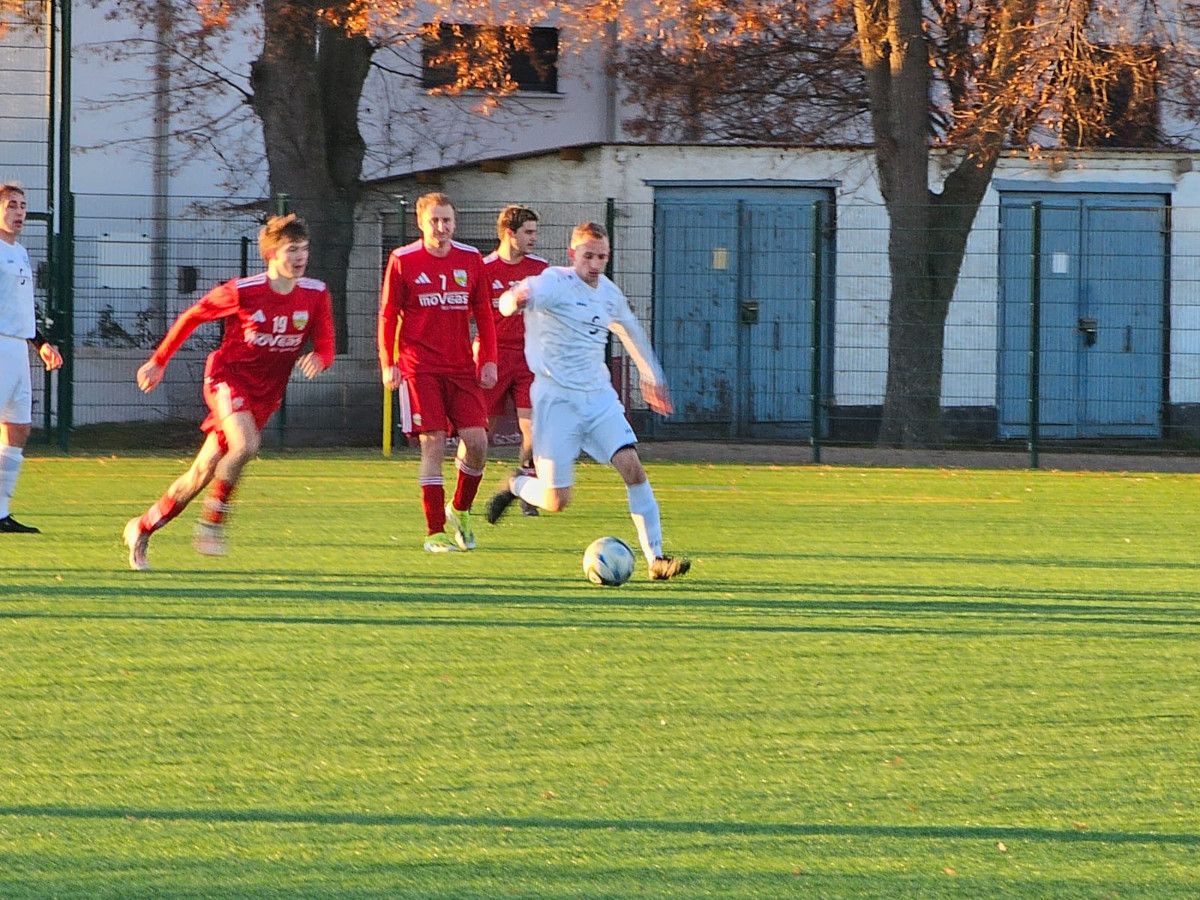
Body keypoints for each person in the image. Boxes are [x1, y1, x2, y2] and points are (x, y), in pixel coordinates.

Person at [122, 214, 335, 570]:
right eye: (292, 250)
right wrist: (159, 361)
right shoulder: (244, 291)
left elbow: (327, 343)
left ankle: (141, 527)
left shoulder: (315, 294)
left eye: (304, 249)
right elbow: (192, 316)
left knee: (201, 473)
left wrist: (321, 357)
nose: (300, 257)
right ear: (270, 254)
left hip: (265, 395)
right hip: (227, 379)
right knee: (246, 445)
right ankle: (212, 524)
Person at [484, 222, 690, 581]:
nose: (595, 264)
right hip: (555, 402)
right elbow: (509, 299)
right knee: (556, 501)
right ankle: (516, 484)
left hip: (597, 399)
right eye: (588, 256)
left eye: (602, 257)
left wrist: (651, 377)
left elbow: (631, 331)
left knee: (632, 467)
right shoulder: (553, 282)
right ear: (572, 255)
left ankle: (656, 558)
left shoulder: (608, 293)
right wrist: (510, 302)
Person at [378, 192, 497, 552]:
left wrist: (488, 358)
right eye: (435, 221)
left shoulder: (471, 259)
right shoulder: (403, 260)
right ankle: (434, 533)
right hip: (420, 367)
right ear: (421, 223)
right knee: (432, 443)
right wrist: (388, 362)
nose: (442, 228)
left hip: (461, 367)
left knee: (477, 443)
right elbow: (387, 315)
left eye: (447, 220)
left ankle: (459, 510)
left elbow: (484, 313)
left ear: (455, 222)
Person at [0, 182, 64, 534]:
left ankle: (1, 511)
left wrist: (40, 342)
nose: (19, 211)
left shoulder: (20, 252)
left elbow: (22, 307)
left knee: (18, 428)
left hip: (18, 350)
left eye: (22, 206)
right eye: (11, 205)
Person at [479, 205, 548, 516]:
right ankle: (464, 493)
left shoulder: (541, 269)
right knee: (480, 432)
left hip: (529, 360)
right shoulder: (483, 268)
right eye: (528, 232)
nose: (534, 238)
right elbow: (469, 315)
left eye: (535, 232)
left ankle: (527, 490)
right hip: (491, 358)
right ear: (510, 233)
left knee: (534, 429)